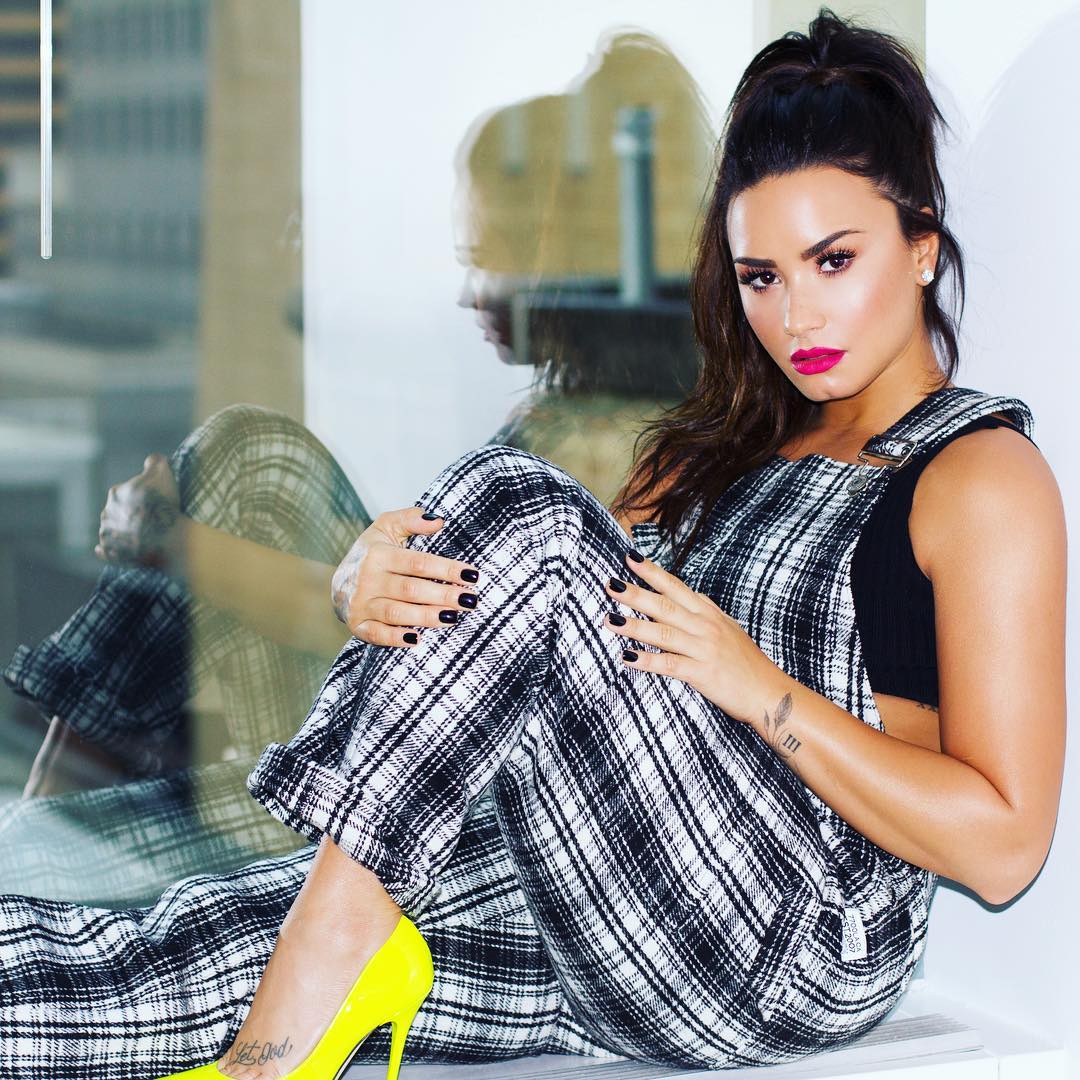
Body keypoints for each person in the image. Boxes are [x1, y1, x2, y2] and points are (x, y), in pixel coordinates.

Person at [0, 7, 1067, 1079]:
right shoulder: (723, 448)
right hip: (591, 884)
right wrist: (364, 581)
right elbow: (514, 632)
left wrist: (759, 689)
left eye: (834, 260)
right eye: (761, 277)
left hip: (784, 941)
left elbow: (1004, 842)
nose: (797, 317)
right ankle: (164, 902)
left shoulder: (973, 477)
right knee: (154, 967)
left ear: (921, 245)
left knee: (531, 514)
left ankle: (280, 1046)